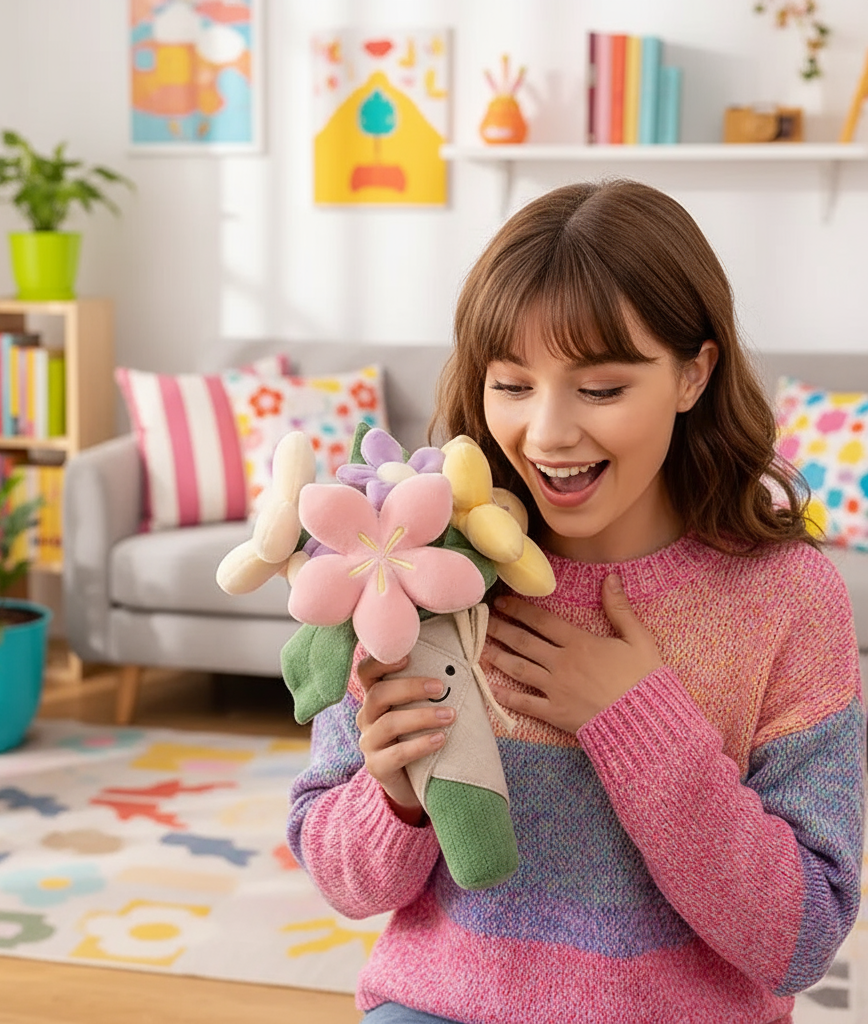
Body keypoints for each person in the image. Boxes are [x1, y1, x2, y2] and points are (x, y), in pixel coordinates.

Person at [285, 179, 865, 1023]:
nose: (549, 432)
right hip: (441, 1008)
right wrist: (397, 799)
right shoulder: (415, 562)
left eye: (600, 389)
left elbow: (802, 937)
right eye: (512, 385)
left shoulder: (784, 598)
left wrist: (638, 722)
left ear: (693, 374)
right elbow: (344, 883)